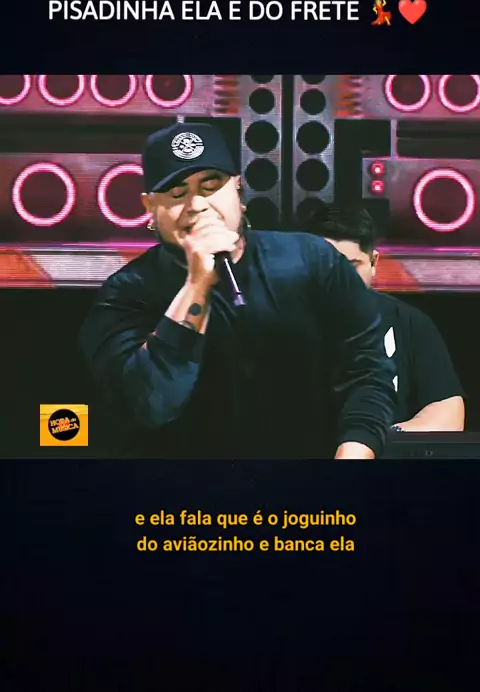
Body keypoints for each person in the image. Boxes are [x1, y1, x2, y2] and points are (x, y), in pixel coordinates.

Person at [79, 123, 398, 459]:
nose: (197, 204)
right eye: (176, 193)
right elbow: (150, 403)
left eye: (211, 186)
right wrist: (197, 285)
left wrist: (353, 454)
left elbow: (368, 373)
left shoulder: (311, 261)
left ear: (238, 191)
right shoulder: (125, 294)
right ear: (150, 209)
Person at [306, 203, 465, 432]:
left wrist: (382, 439)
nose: (341, 280)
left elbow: (447, 411)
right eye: (328, 267)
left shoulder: (409, 323)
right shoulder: (280, 319)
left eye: (352, 267)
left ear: (373, 263)